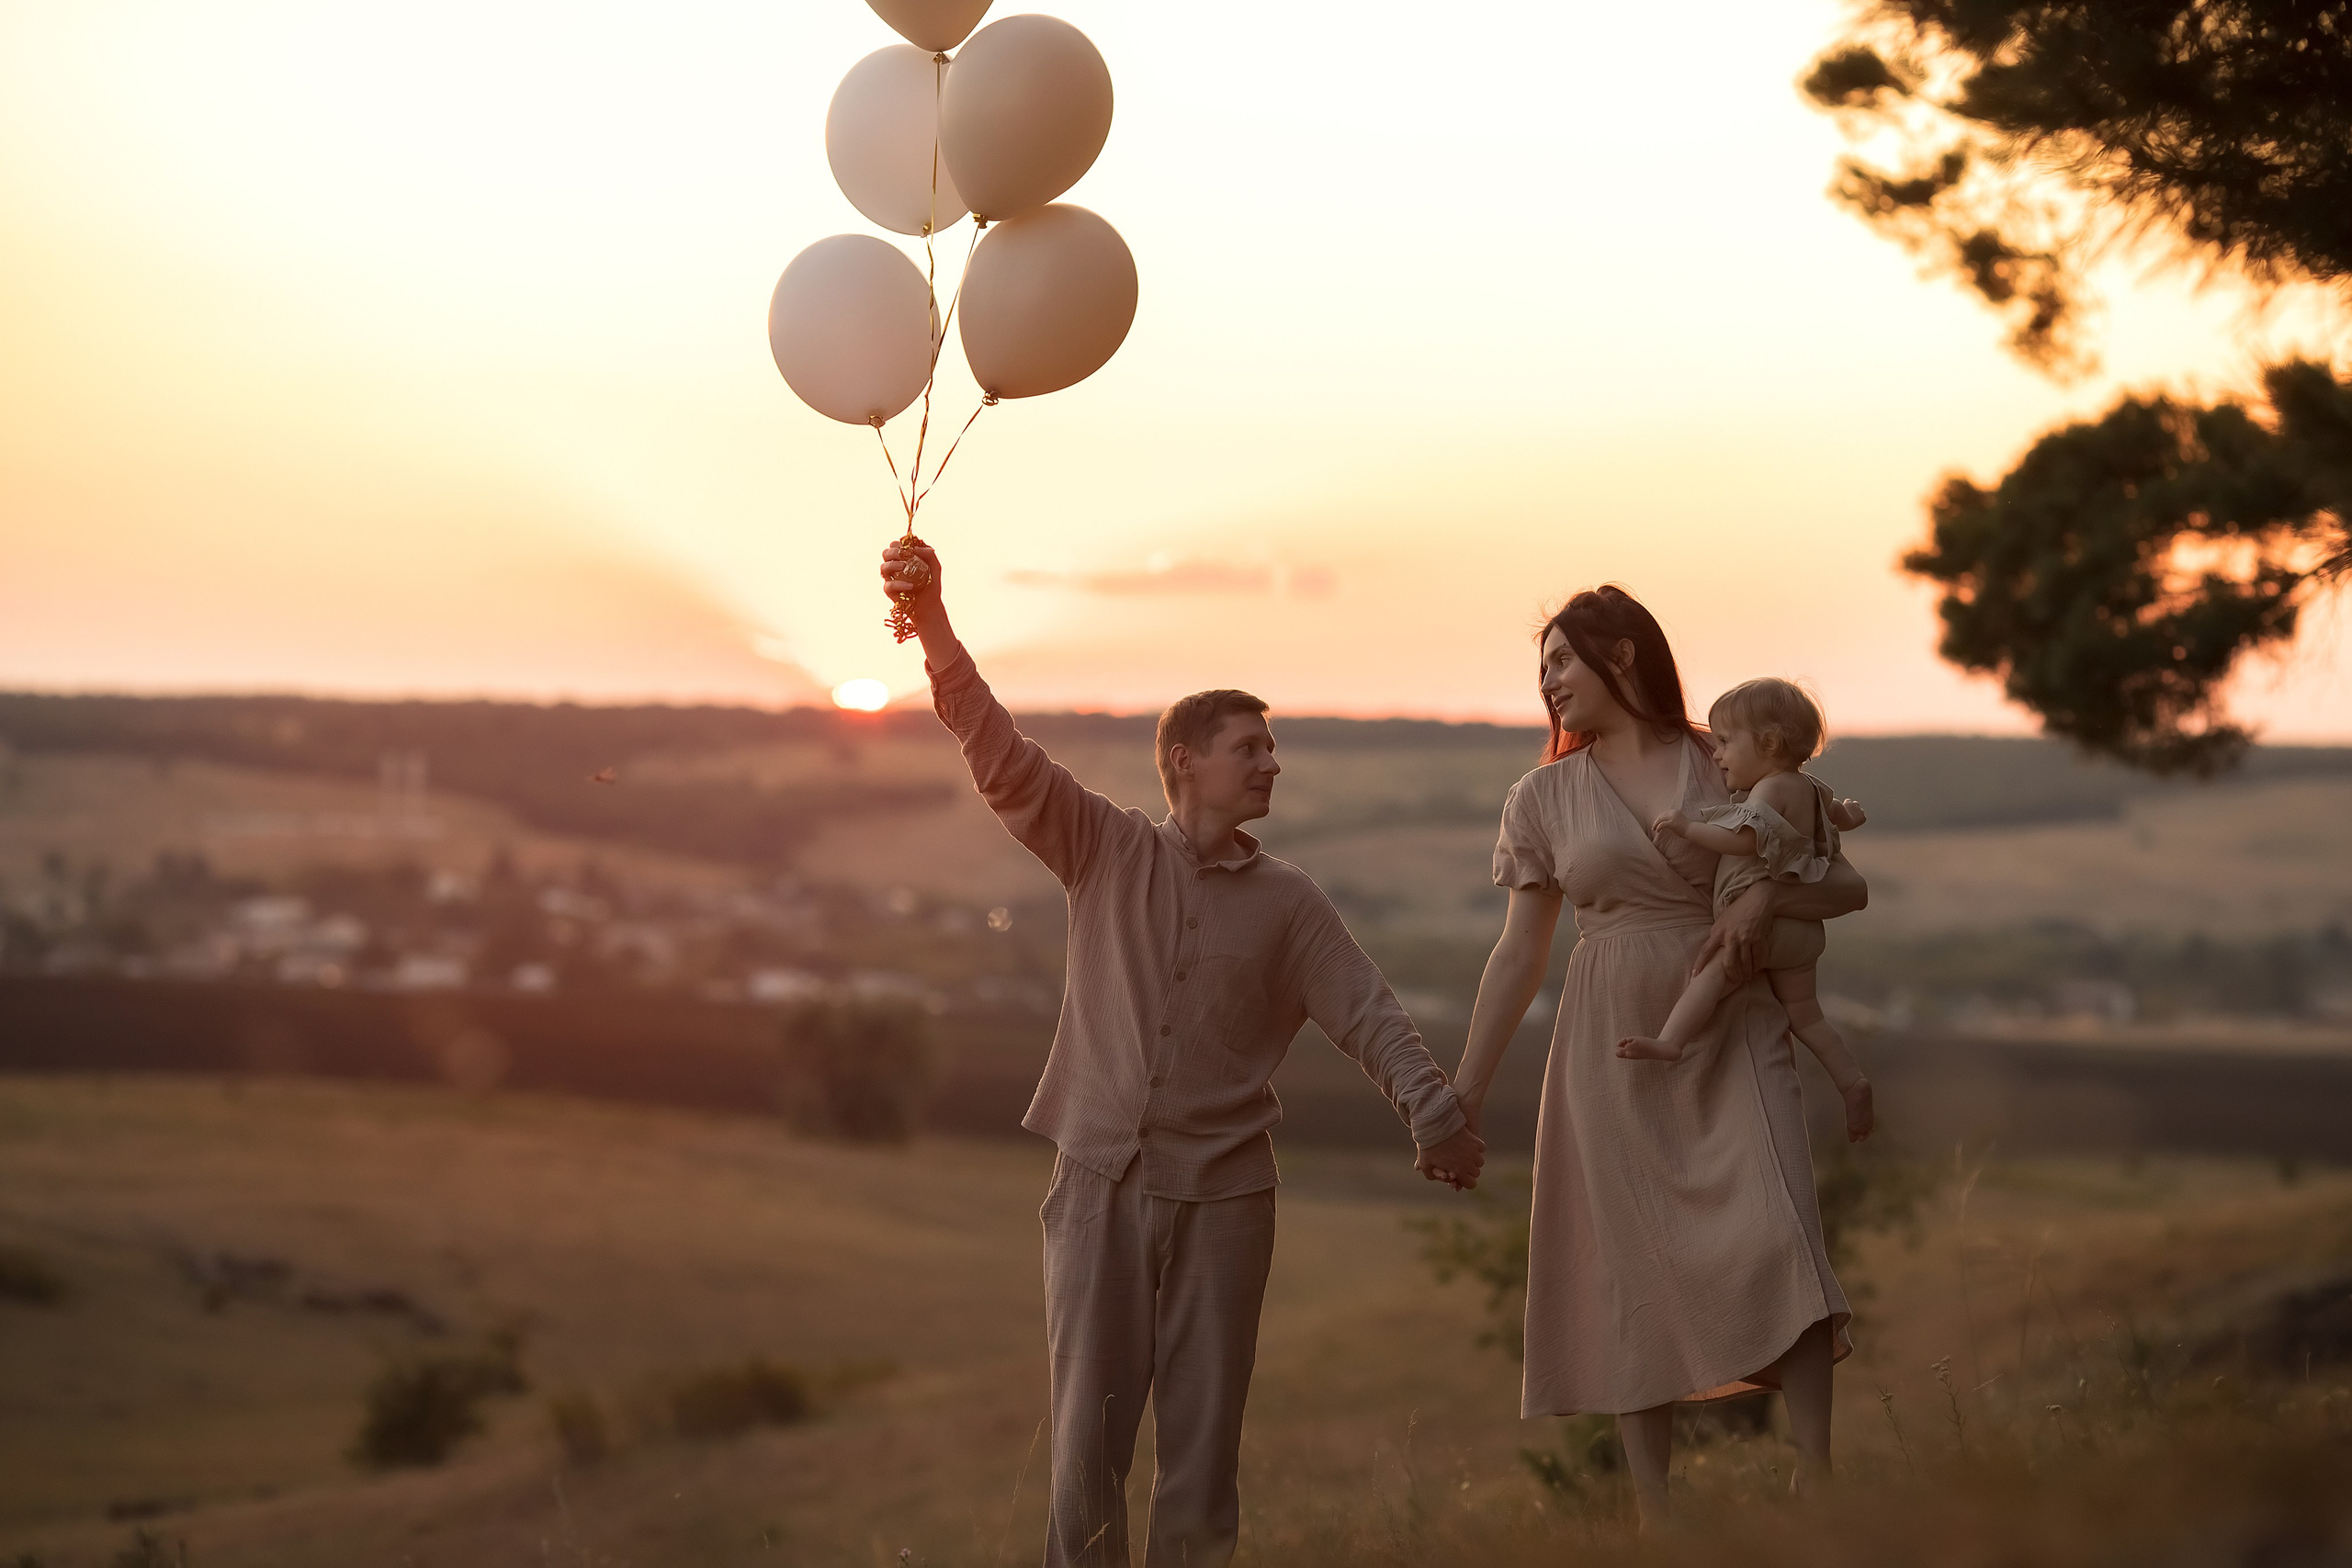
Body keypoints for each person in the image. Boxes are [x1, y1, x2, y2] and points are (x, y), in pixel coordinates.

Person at [877, 536, 1487, 1568]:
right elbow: (995, 748)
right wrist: (931, 621)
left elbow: (1368, 1013)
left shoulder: (1292, 905)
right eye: (1249, 745)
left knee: (1202, 1458)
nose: (1271, 762)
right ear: (1184, 762)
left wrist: (1433, 1115)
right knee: (1085, 1452)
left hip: (1227, 1198)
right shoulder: (1102, 847)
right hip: (1095, 1186)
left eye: (1273, 746)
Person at [1448, 586, 1868, 1529]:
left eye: (1562, 660)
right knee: (1627, 1264)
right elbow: (1518, 954)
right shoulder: (1542, 796)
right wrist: (1464, 1091)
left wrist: (1765, 904)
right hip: (1610, 1037)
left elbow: (1843, 887)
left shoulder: (1729, 761)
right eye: (1543, 667)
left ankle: (1818, 1482)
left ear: (1622, 656)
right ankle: (1655, 1519)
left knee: (1778, 1224)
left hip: (1732, 1015)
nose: (1549, 682)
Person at [1617, 677, 1876, 1144]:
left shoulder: (1770, 791)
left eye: (1724, 743)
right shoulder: (1811, 787)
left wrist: (1685, 826)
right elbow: (1839, 815)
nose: (1716, 755)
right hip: (1803, 931)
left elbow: (1741, 839)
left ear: (1769, 743)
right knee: (1807, 1015)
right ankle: (1851, 1081)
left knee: (1712, 974)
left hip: (1762, 926)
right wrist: (1850, 816)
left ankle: (1671, 1041)